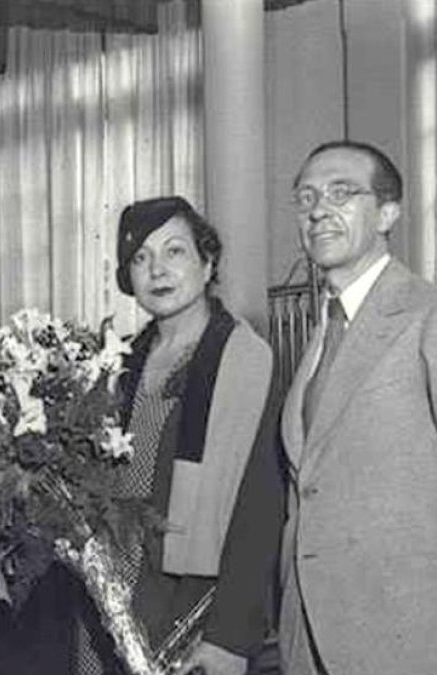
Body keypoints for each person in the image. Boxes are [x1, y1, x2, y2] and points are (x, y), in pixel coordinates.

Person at [277, 140, 437, 675]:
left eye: (343, 193)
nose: (319, 209)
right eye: (306, 197)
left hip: (414, 635)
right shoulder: (322, 332)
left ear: (389, 212)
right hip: (313, 635)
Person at [75, 196, 285, 675]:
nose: (157, 270)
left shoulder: (244, 359)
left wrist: (230, 636)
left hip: (189, 594)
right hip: (107, 589)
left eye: (174, 252)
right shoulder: (119, 362)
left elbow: (260, 509)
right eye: (141, 258)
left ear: (207, 262)